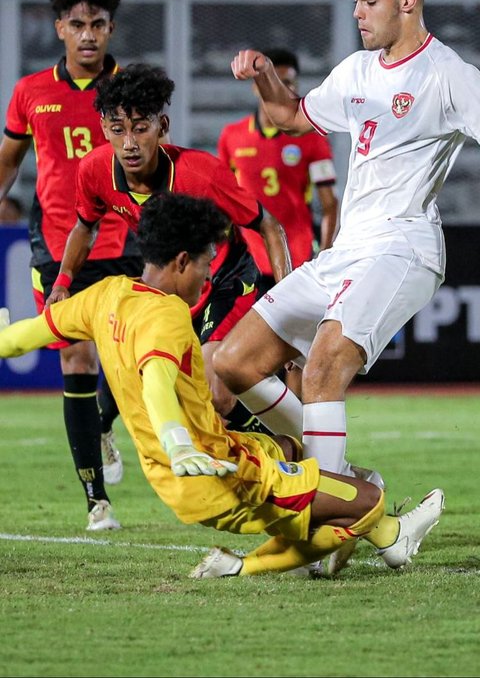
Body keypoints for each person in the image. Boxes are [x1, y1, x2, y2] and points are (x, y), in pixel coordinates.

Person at [0, 192, 445, 579]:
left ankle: (321, 529)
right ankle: (373, 541)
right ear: (180, 262)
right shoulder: (167, 315)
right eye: (205, 263)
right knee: (369, 498)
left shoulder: (106, 294)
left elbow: (27, 335)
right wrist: (179, 444)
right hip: (219, 475)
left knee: (291, 449)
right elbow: (156, 380)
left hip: (190, 469)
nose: (207, 276)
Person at [211, 0, 480, 569]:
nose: (358, 11)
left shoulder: (450, 76)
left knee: (327, 362)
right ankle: (354, 491)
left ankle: (324, 530)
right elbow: (286, 114)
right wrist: (263, 76)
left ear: (408, 0)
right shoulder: (357, 71)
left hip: (404, 246)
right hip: (348, 249)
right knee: (234, 361)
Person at [47, 63, 295, 438]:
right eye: (118, 130)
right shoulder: (94, 171)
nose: (130, 143)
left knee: (216, 393)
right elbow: (84, 226)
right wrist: (63, 283)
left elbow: (268, 225)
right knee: (176, 394)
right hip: (174, 292)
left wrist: (287, 304)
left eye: (141, 128)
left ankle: (286, 442)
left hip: (225, 277)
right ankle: (269, 439)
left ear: (162, 127)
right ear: (104, 130)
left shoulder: (201, 174)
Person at [0, 0, 144, 531]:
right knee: (76, 359)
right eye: (78, 24)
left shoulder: (130, 87)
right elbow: (10, 161)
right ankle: (96, 501)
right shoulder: (30, 91)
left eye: (99, 24)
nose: (88, 34)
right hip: (57, 248)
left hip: (128, 240)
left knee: (132, 360)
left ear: (111, 29)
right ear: (60, 27)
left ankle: (106, 425)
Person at [217, 47, 338, 299]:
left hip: (297, 256)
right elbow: (223, 202)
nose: (283, 88)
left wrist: (326, 254)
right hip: (247, 261)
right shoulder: (232, 136)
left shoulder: (311, 138)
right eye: (275, 81)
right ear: (256, 86)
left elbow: (330, 204)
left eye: (289, 83)